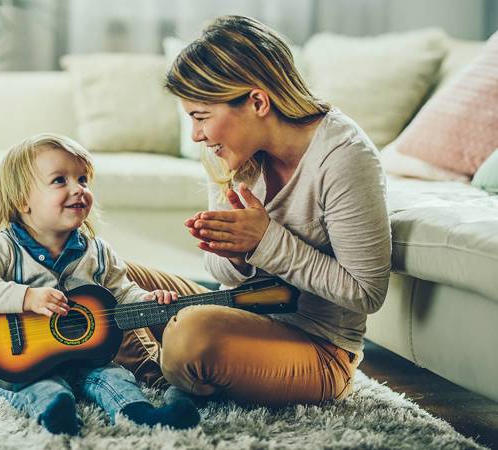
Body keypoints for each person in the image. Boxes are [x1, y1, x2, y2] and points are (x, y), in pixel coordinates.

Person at [116, 15, 391, 407]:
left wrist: (265, 242)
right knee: (103, 277)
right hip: (237, 311)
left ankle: (157, 369)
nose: (196, 134)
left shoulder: (344, 157)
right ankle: (167, 374)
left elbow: (366, 293)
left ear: (257, 101)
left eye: (200, 117)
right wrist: (238, 257)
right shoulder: (232, 153)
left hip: (318, 348)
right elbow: (222, 275)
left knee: (191, 335)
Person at [0, 133, 200, 435]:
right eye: (60, 180)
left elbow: (122, 292)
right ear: (23, 200)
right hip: (23, 363)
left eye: (83, 179)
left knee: (116, 377)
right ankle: (54, 413)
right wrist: (27, 297)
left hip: (86, 357)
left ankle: (142, 414)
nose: (78, 189)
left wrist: (148, 298)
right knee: (45, 389)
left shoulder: (97, 252)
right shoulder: (3, 248)